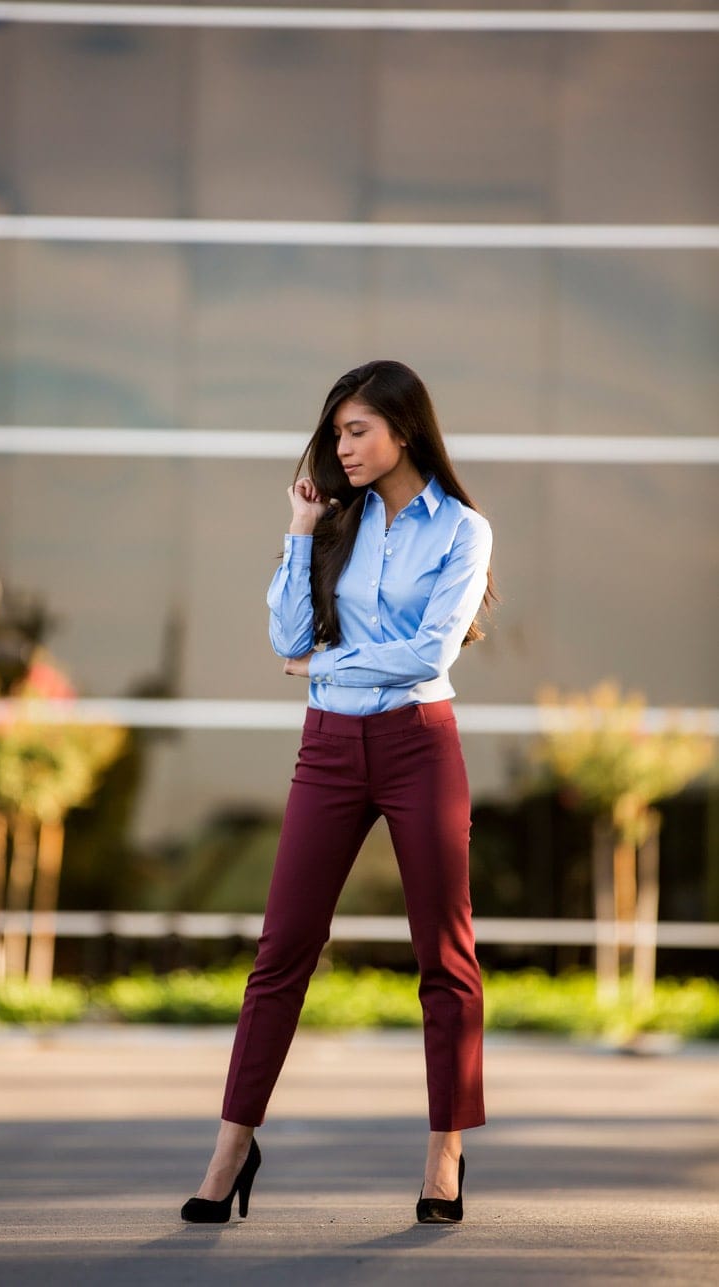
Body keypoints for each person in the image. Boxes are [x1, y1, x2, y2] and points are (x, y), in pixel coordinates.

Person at [181, 359, 498, 1226]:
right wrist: (299, 527)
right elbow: (285, 633)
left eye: (357, 431)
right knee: (281, 949)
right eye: (335, 434)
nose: (341, 448)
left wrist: (324, 663)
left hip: (418, 744)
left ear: (405, 429)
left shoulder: (464, 531)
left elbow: (430, 653)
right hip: (328, 746)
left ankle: (445, 1151)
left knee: (445, 954)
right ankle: (231, 1148)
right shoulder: (335, 523)